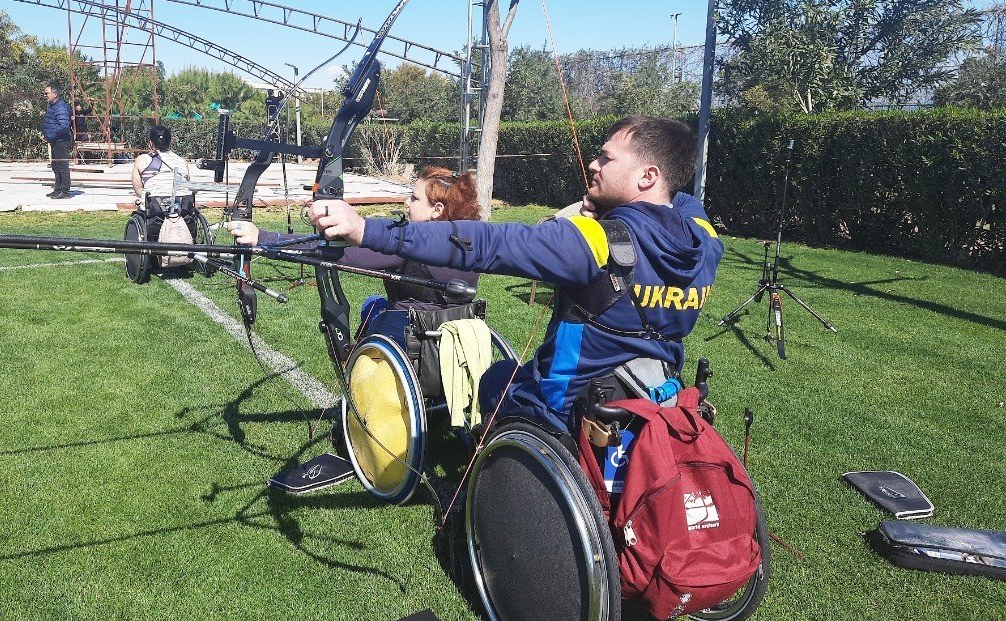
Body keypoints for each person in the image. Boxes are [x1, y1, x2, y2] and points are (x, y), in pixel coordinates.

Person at [296, 116, 724, 436]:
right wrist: (620, 207)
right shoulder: (703, 239)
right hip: (646, 393)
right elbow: (681, 201)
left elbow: (484, 243)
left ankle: (491, 485)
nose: (593, 164)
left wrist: (366, 229)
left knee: (495, 381)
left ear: (648, 176)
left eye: (606, 158)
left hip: (568, 404)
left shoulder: (593, 243)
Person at [226, 166, 481, 341]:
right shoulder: (472, 240)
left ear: (437, 209)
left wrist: (264, 239)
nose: (406, 203)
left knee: (372, 307)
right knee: (374, 304)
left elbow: (334, 255)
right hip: (457, 332)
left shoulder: (410, 246)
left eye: (414, 199)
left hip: (414, 334)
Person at [42, 83, 74, 199]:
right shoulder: (52, 106)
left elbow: (64, 126)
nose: (45, 95)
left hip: (61, 140)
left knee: (62, 166)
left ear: (54, 94)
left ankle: (65, 191)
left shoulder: (60, 107)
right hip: (55, 140)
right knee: (55, 166)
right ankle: (58, 188)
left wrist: (50, 135)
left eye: (47, 93)